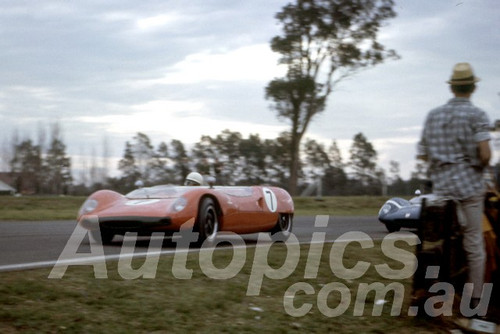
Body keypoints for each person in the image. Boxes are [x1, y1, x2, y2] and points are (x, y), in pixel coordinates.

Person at [417, 62, 492, 311]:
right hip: (469, 188)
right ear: (472, 88)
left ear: (452, 88)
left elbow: (423, 155)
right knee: (474, 243)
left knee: (446, 238)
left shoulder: (433, 115)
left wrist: (443, 162)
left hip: (442, 190)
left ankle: (438, 288)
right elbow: (485, 156)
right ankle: (476, 299)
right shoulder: (477, 115)